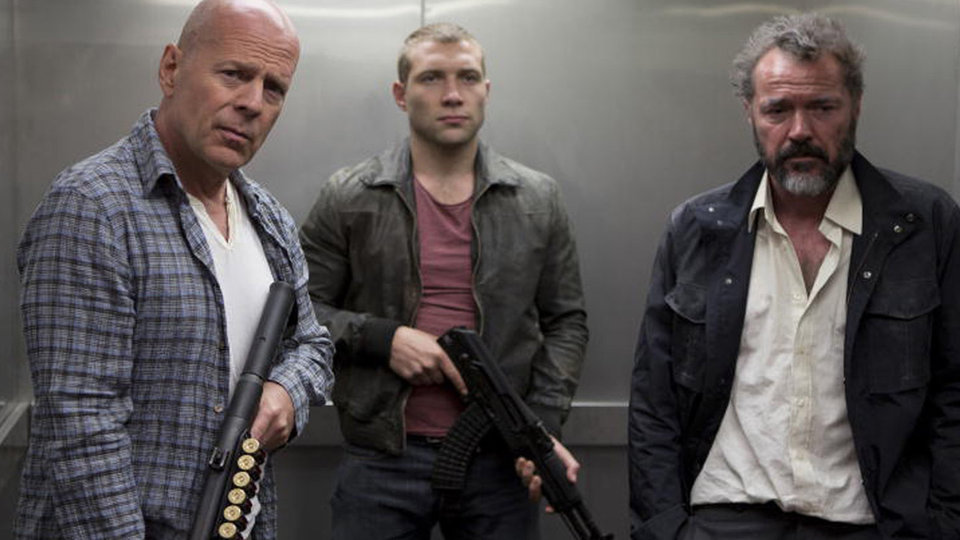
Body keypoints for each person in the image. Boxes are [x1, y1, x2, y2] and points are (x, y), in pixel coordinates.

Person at [629, 12, 960, 540]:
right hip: (723, 518)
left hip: (870, 523)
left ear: (855, 105)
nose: (800, 131)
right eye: (778, 109)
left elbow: (953, 392)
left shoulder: (925, 225)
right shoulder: (695, 230)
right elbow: (655, 401)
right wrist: (665, 528)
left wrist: (943, 525)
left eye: (822, 107)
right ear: (750, 112)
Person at [14, 1, 334, 538]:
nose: (252, 103)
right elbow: (83, 429)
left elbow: (313, 345)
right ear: (171, 69)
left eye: (274, 88)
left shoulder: (268, 219)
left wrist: (286, 393)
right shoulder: (93, 207)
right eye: (233, 74)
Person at [300, 22, 588, 540]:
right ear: (400, 94)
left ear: (486, 91)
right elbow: (300, 311)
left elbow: (566, 322)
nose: (452, 94)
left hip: (501, 459)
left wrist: (538, 428)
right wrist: (384, 339)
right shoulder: (350, 194)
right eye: (432, 78)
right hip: (381, 458)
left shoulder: (537, 199)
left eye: (467, 78)